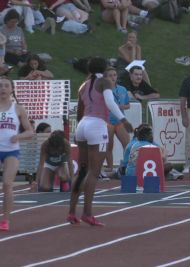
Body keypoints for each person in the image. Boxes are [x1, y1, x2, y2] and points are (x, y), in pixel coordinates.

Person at [67, 57, 133, 226]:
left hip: (83, 125)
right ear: (103, 69)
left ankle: (72, 212)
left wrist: (78, 132)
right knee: (93, 172)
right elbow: (110, 103)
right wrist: (124, 120)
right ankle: (87, 213)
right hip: (97, 125)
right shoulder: (104, 82)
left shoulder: (84, 84)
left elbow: (80, 111)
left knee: (81, 171)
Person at [0, 77, 34, 231]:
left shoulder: (18, 108)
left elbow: (30, 131)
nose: (3, 88)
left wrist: (18, 136)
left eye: (6, 86)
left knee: (7, 184)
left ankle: (5, 220)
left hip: (11, 151)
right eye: (0, 86)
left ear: (11, 89)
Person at [104, 67, 130, 172]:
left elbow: (128, 105)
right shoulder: (104, 90)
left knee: (127, 145)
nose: (113, 77)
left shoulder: (122, 89)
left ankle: (126, 166)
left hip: (120, 121)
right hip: (108, 121)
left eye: (114, 75)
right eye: (110, 75)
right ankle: (110, 167)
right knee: (109, 146)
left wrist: (121, 107)